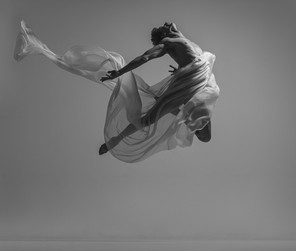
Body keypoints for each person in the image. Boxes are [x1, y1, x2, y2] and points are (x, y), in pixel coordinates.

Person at [14, 21, 219, 163]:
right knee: (199, 133)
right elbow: (174, 30)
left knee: (148, 121)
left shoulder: (168, 42)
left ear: (161, 41)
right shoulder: (181, 38)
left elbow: (144, 58)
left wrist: (119, 72)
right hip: (201, 79)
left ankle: (114, 141)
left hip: (195, 78)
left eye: (155, 43)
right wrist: (184, 69)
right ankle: (116, 140)